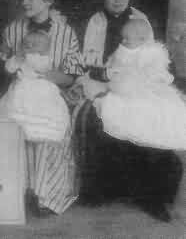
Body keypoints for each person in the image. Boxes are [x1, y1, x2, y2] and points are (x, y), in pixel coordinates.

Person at [78, 19, 184, 222]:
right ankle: (109, 188)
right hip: (124, 94)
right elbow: (113, 68)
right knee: (109, 113)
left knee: (152, 124)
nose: (124, 42)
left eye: (129, 39)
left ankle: (154, 197)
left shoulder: (152, 53)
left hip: (149, 95)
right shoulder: (121, 49)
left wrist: (135, 79)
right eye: (123, 38)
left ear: (144, 39)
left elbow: (157, 75)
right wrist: (112, 74)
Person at [0, 0, 83, 216]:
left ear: (48, 0)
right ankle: (16, 190)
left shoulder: (66, 33)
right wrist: (20, 63)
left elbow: (70, 76)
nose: (24, 2)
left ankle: (46, 193)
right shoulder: (13, 30)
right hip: (20, 91)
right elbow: (5, 67)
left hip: (50, 91)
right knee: (10, 121)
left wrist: (43, 74)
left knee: (52, 125)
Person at [0, 30, 70, 143]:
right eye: (26, 43)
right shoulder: (19, 58)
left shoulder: (45, 59)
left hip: (40, 84)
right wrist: (17, 59)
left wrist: (28, 56)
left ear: (46, 49)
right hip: (22, 85)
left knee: (45, 105)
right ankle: (21, 129)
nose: (30, 45)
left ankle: (42, 130)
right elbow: (9, 68)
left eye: (36, 44)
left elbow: (40, 67)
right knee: (15, 102)